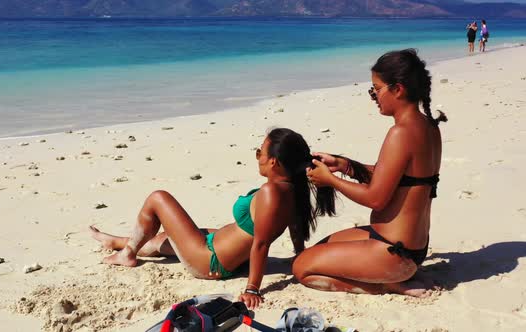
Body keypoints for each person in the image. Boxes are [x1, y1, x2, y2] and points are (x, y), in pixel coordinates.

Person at [90, 128, 336, 309]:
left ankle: (128, 253)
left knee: (158, 198)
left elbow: (261, 243)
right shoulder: (292, 188)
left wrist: (252, 289)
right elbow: (293, 224)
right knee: (167, 237)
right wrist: (298, 252)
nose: (258, 155)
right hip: (223, 251)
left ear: (273, 161)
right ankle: (120, 242)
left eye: (260, 151)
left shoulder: (271, 192)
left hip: (211, 261)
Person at [292, 49, 448, 297]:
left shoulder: (400, 133)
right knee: (322, 248)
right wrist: (345, 165)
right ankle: (396, 275)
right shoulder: (427, 126)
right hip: (408, 247)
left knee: (302, 268)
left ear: (397, 89)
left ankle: (386, 284)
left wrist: (330, 180)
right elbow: (397, 176)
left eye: (376, 89)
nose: (373, 96)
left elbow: (376, 198)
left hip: (393, 253)